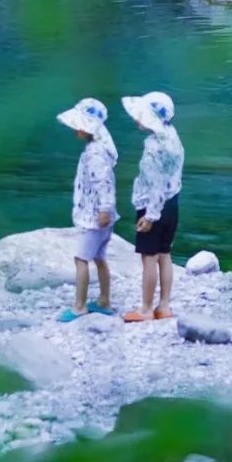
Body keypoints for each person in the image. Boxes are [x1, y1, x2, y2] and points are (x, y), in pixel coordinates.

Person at [121, 91, 184, 323]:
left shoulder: (152, 148)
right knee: (165, 254)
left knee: (149, 258)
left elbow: (156, 184)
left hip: (153, 206)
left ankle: (146, 309)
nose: (138, 118)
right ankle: (164, 305)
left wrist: (150, 216)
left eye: (143, 115)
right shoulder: (173, 136)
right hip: (172, 204)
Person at [55, 97, 119, 322]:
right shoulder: (101, 147)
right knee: (100, 258)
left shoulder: (94, 154)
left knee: (81, 260)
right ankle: (104, 300)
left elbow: (103, 183)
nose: (75, 131)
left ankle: (79, 306)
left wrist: (104, 210)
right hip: (103, 216)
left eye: (78, 126)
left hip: (95, 218)